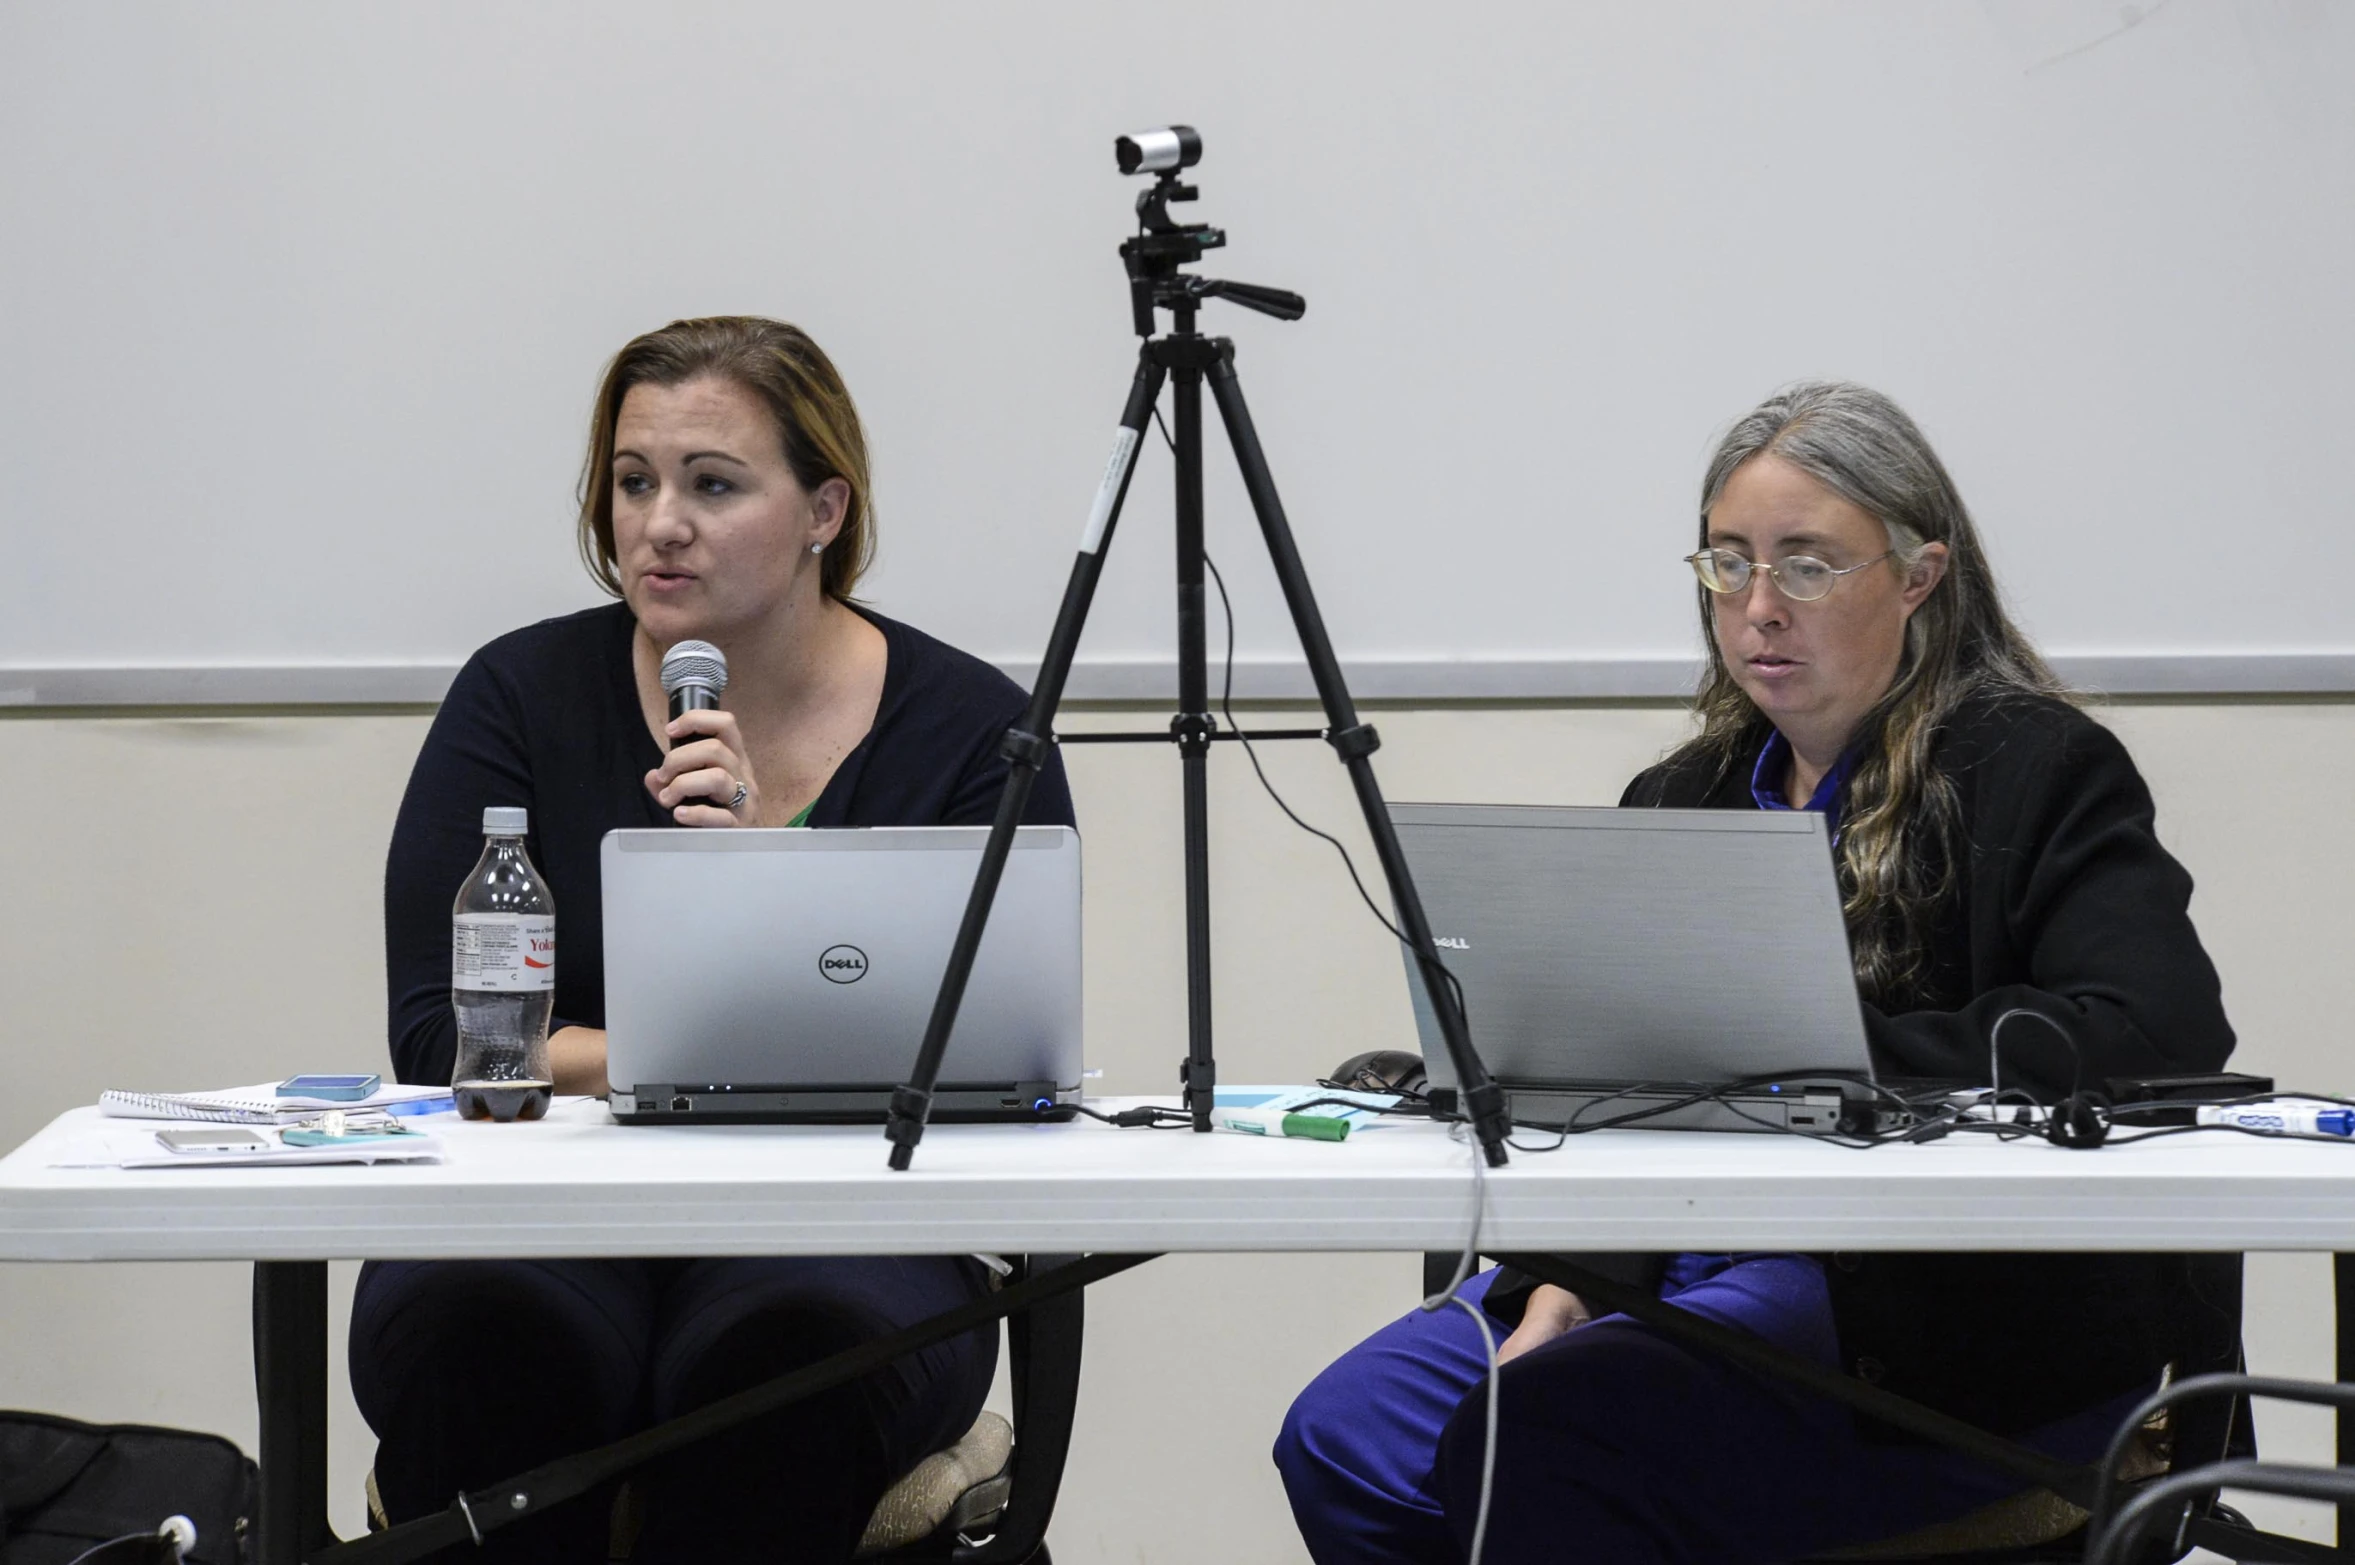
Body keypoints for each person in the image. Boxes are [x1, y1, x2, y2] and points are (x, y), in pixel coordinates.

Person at [1274, 381, 2234, 1564]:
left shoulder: (2037, 769)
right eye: (1728, 565)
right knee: (1343, 1434)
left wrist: (1833, 1056)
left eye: (1807, 566)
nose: (1759, 607)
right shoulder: (1680, 794)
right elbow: (1624, 1079)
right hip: (1667, 1265)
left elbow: (2158, 1026)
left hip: (1928, 1324)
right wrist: (1570, 1286)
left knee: (1540, 1435)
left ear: (1920, 577)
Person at [353, 316, 1074, 1562]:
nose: (658, 524)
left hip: (847, 1220)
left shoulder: (972, 732)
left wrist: (741, 880)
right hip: (552, 1199)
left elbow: (997, 1059)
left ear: (823, 510)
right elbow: (440, 1040)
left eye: (713, 484)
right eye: (633, 482)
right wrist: (665, 1052)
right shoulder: (518, 696)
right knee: (482, 1339)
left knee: (782, 1365)